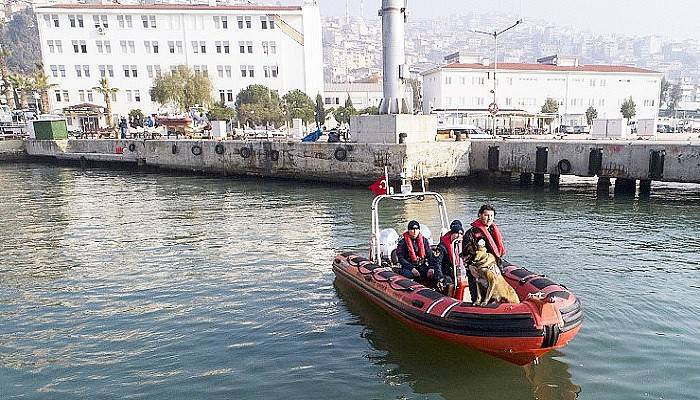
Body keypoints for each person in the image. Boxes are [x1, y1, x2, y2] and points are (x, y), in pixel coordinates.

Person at [462, 204, 506, 302]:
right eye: (486, 215)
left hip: (492, 269)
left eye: (491, 216)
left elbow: (497, 251)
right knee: (477, 297)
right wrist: (469, 266)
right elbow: (465, 253)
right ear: (479, 215)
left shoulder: (493, 231)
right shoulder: (471, 234)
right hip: (477, 270)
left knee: (493, 296)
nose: (489, 218)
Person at [396, 220, 444, 287]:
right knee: (408, 275)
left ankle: (435, 289)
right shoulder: (403, 243)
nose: (415, 232)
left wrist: (431, 267)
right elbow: (401, 258)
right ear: (409, 230)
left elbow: (430, 255)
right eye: (412, 229)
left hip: (421, 266)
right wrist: (411, 268)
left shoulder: (424, 241)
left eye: (416, 229)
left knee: (435, 273)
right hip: (408, 267)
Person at [434, 219, 464, 296]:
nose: (458, 236)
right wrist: (440, 278)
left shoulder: (462, 245)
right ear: (451, 234)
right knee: (450, 283)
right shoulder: (442, 247)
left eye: (460, 234)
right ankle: (449, 298)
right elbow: (438, 263)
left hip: (459, 273)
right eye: (456, 233)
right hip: (446, 272)